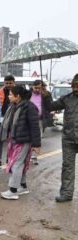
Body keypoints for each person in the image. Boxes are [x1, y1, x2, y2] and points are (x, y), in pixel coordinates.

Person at [0, 85, 41, 200]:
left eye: (10, 94)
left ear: (18, 96)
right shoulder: (13, 106)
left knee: (16, 164)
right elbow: (6, 123)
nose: (8, 96)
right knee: (21, 164)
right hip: (14, 139)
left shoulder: (29, 107)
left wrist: (36, 145)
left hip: (24, 140)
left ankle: (13, 190)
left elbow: (35, 127)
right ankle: (23, 186)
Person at [50, 74, 78, 202]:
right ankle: (66, 194)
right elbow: (51, 106)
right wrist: (45, 95)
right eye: (74, 87)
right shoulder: (67, 99)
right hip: (69, 139)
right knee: (67, 167)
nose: (76, 89)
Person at [29, 80, 53, 165]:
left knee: (37, 138)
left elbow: (50, 106)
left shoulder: (45, 95)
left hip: (39, 119)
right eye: (35, 88)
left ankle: (34, 156)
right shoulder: (28, 94)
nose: (37, 90)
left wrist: (45, 95)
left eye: (39, 88)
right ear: (32, 86)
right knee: (28, 138)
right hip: (28, 119)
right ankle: (27, 156)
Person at [0, 75, 16, 165]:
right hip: (1, 118)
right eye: (6, 83)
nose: (8, 85)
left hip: (13, 119)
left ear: (14, 82)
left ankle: (9, 159)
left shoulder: (18, 92)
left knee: (11, 140)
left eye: (10, 83)